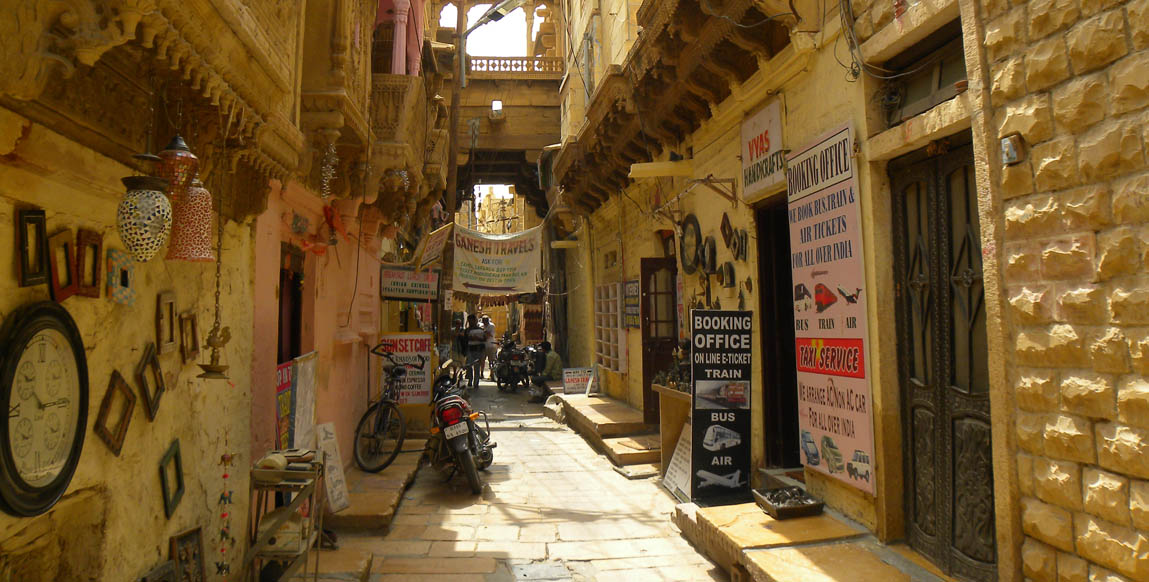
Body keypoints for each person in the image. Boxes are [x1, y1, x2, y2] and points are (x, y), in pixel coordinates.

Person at [462, 314, 486, 389]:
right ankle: (470, 380)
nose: (471, 322)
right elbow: (465, 340)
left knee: (476, 367)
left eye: (472, 320)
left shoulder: (481, 330)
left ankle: (476, 382)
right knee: (469, 366)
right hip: (470, 350)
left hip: (478, 350)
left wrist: (477, 339)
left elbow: (484, 340)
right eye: (470, 321)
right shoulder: (467, 330)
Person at [481, 315, 498, 380]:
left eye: (485, 321)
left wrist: (484, 332)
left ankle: (492, 374)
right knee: (482, 360)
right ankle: (481, 374)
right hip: (483, 345)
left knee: (491, 360)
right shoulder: (482, 326)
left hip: (490, 345)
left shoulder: (491, 326)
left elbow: (489, 335)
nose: (484, 322)